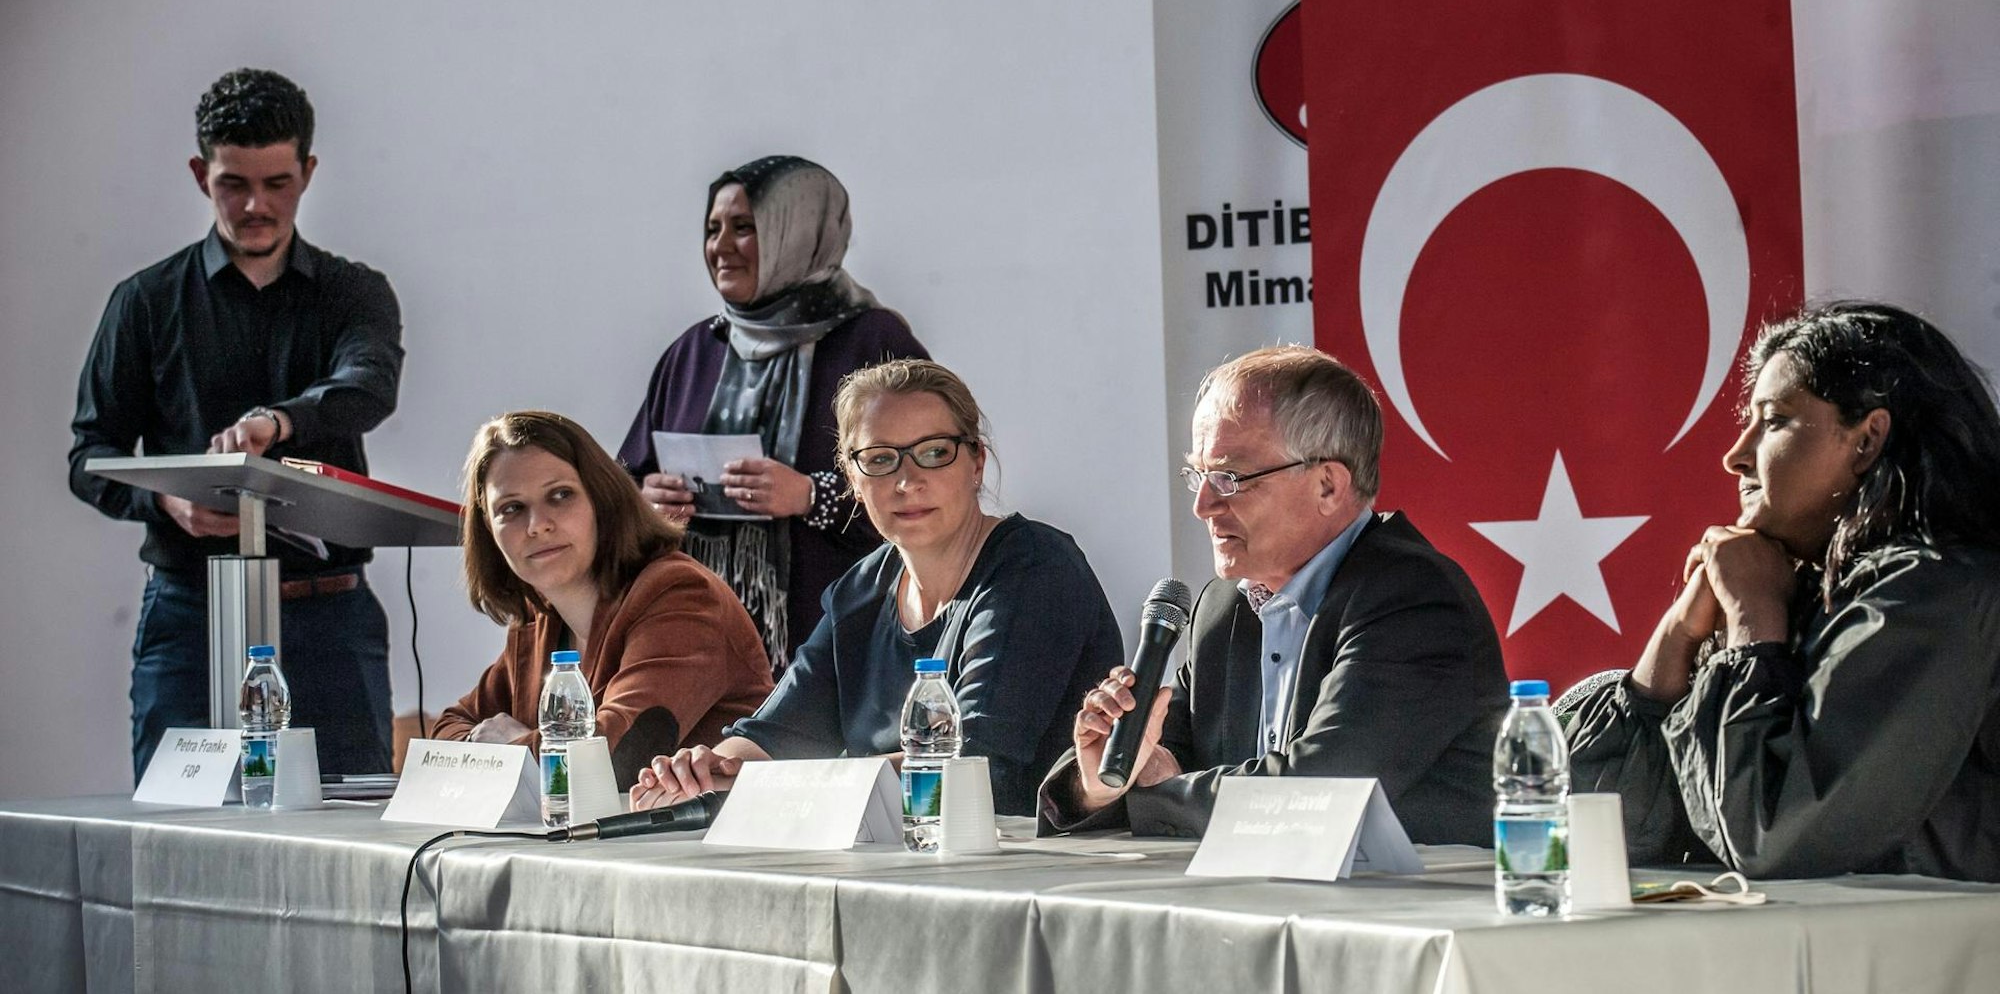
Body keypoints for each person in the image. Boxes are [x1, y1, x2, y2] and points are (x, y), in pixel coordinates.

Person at [1564, 302, 2000, 882]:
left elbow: (1774, 838)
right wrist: (1678, 634)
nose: (1735, 456)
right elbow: (1598, 828)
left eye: (1772, 421)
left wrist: (1751, 624)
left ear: (1867, 439)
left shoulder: (1939, 594)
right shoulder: (1804, 592)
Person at [68, 69, 405, 781]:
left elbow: (368, 388)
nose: (256, 205)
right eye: (234, 184)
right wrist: (167, 500)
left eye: (277, 183)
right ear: (200, 174)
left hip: (328, 618)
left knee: (349, 845)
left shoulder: (355, 293)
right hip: (190, 613)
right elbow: (89, 455)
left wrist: (275, 423)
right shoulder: (145, 302)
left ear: (308, 172)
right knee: (175, 842)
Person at [1037, 345, 1508, 843]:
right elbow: (1157, 752)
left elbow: (1322, 791)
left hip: (1422, 908)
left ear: (1327, 485)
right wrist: (1101, 780)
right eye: (1198, 474)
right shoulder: (1223, 608)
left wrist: (1161, 793)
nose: (1203, 505)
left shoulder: (1414, 601)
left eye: (1230, 478)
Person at [628, 359, 1123, 815]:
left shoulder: (1035, 567)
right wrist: (706, 769)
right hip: (905, 867)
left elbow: (971, 768)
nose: (907, 481)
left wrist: (782, 781)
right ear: (851, 476)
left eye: (934, 453)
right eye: (881, 459)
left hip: (1036, 874)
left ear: (976, 463)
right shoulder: (862, 587)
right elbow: (772, 736)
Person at [617, 155, 929, 673]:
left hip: (838, 643)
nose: (720, 247)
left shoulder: (872, 342)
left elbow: (929, 482)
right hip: (695, 647)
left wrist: (811, 495)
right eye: (712, 229)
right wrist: (645, 504)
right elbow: (622, 485)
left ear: (798, 231)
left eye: (745, 228)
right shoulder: (693, 352)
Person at [432, 412, 773, 791]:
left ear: (603, 498)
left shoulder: (679, 594)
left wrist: (511, 748)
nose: (537, 524)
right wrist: (509, 751)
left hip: (708, 842)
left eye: (560, 496)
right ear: (488, 531)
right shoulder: (538, 617)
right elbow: (447, 731)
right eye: (511, 508)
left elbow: (616, 758)